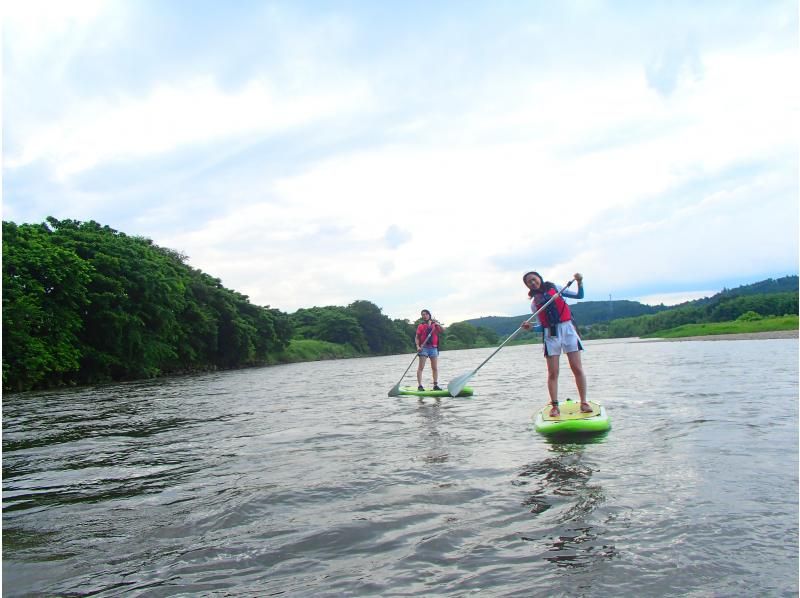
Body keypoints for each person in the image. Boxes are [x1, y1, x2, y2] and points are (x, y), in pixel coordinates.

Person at [520, 271, 589, 417]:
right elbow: (541, 326)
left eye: (534, 279)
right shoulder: (534, 304)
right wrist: (531, 328)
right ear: (527, 286)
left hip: (568, 329)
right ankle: (554, 406)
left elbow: (579, 296)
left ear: (539, 278)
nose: (532, 282)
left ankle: (584, 402)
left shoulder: (556, 288)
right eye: (529, 282)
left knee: (576, 367)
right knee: (553, 372)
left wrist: (579, 282)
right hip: (551, 334)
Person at [415, 309, 444, 391]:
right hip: (423, 348)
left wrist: (438, 324)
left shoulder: (435, 325)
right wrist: (417, 346)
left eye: (425, 314)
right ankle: (420, 386)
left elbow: (443, 330)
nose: (424, 316)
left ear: (429, 315)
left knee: (434, 368)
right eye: (422, 315)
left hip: (433, 348)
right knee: (421, 367)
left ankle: (435, 385)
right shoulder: (421, 326)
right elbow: (417, 337)